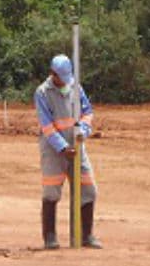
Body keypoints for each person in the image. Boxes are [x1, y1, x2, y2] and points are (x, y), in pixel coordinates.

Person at [35, 54, 102, 250]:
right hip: (53, 150)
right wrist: (63, 148)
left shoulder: (76, 87)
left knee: (88, 189)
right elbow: (46, 126)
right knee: (51, 191)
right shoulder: (42, 93)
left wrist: (84, 130)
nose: (64, 82)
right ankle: (50, 237)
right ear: (53, 74)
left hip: (77, 146)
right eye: (61, 78)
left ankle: (86, 235)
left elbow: (88, 112)